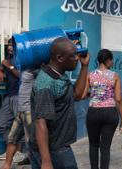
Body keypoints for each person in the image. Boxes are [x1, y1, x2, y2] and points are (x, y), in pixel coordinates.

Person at [29, 37, 89, 169]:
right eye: (73, 56)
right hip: (52, 150)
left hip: (59, 146)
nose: (77, 58)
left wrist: (84, 66)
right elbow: (40, 123)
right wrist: (46, 162)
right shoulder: (46, 83)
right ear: (60, 58)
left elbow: (77, 95)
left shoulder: (60, 75)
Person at [82, 49, 122, 169]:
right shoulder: (115, 76)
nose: (112, 62)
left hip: (93, 112)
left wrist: (93, 93)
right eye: (111, 60)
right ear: (107, 60)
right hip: (110, 113)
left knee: (93, 145)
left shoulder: (90, 75)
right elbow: (118, 99)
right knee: (105, 147)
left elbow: (83, 95)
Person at [0, 69, 38, 169]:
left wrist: (10, 67)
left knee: (32, 141)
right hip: (21, 111)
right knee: (12, 137)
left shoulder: (37, 69)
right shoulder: (26, 67)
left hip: (29, 111)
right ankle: (7, 165)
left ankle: (36, 164)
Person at [0, 39, 23, 161]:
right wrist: (0, 71)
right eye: (8, 46)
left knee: (19, 125)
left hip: (19, 95)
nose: (9, 48)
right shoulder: (8, 57)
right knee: (2, 123)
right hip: (8, 95)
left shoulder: (21, 57)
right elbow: (1, 67)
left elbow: (21, 76)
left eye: (12, 45)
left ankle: (18, 152)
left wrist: (9, 66)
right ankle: (10, 151)